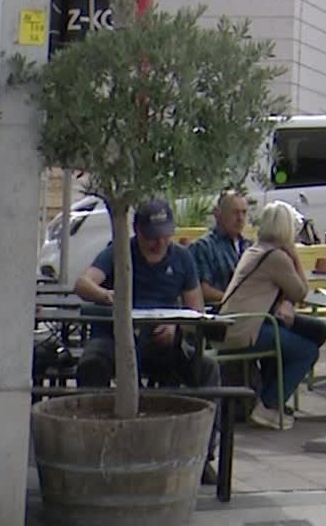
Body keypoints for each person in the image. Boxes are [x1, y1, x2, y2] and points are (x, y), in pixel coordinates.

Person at [74, 198, 221, 480]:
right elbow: (83, 283)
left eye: (165, 236)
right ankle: (90, 449)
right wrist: (107, 296)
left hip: (162, 340)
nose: (159, 243)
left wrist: (176, 327)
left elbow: (196, 309)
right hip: (117, 336)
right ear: (138, 232)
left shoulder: (181, 258)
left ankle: (203, 454)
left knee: (207, 370)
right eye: (152, 238)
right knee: (92, 364)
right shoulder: (118, 252)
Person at [219, 200, 326, 428]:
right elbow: (301, 290)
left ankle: (270, 395)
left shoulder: (256, 249)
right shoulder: (277, 256)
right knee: (306, 351)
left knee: (318, 330)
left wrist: (284, 302)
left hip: (243, 322)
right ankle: (268, 404)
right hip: (247, 329)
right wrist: (294, 253)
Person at [190, 190, 251, 304]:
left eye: (244, 213)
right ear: (218, 214)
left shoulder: (249, 247)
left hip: (253, 311)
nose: (240, 218)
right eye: (235, 212)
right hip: (220, 314)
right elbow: (201, 290)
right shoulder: (203, 247)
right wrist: (235, 299)